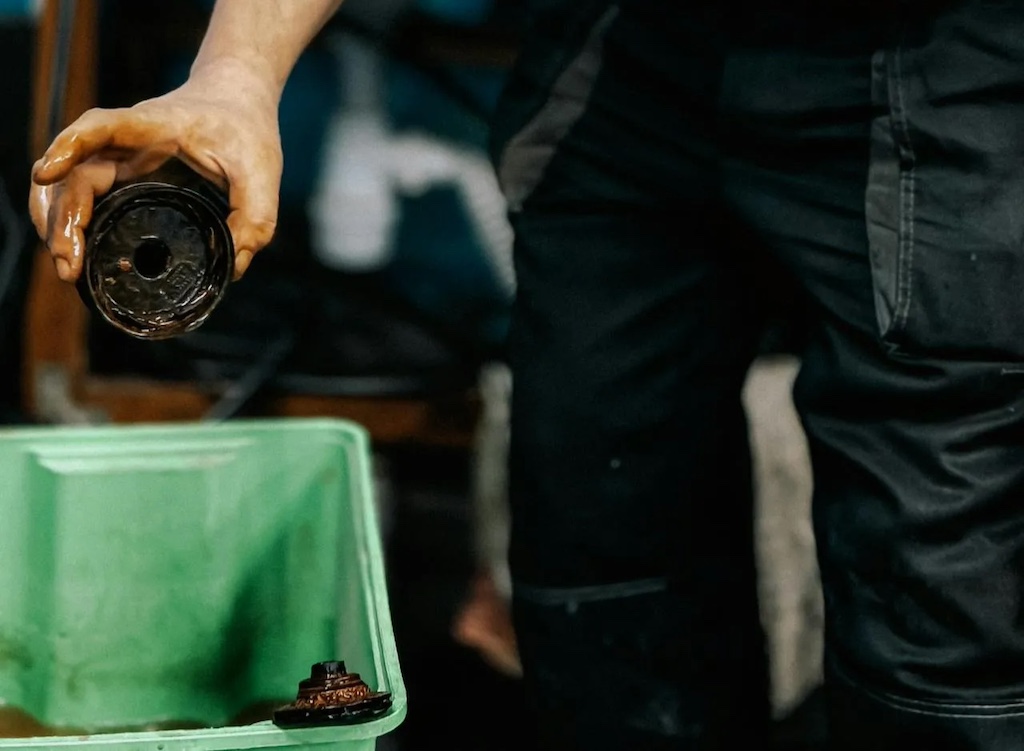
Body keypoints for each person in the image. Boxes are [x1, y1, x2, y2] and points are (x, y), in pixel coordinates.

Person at [30, 1, 1024, 748]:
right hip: (635, 36)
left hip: (944, 48)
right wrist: (237, 73)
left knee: (939, 621)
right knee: (601, 559)